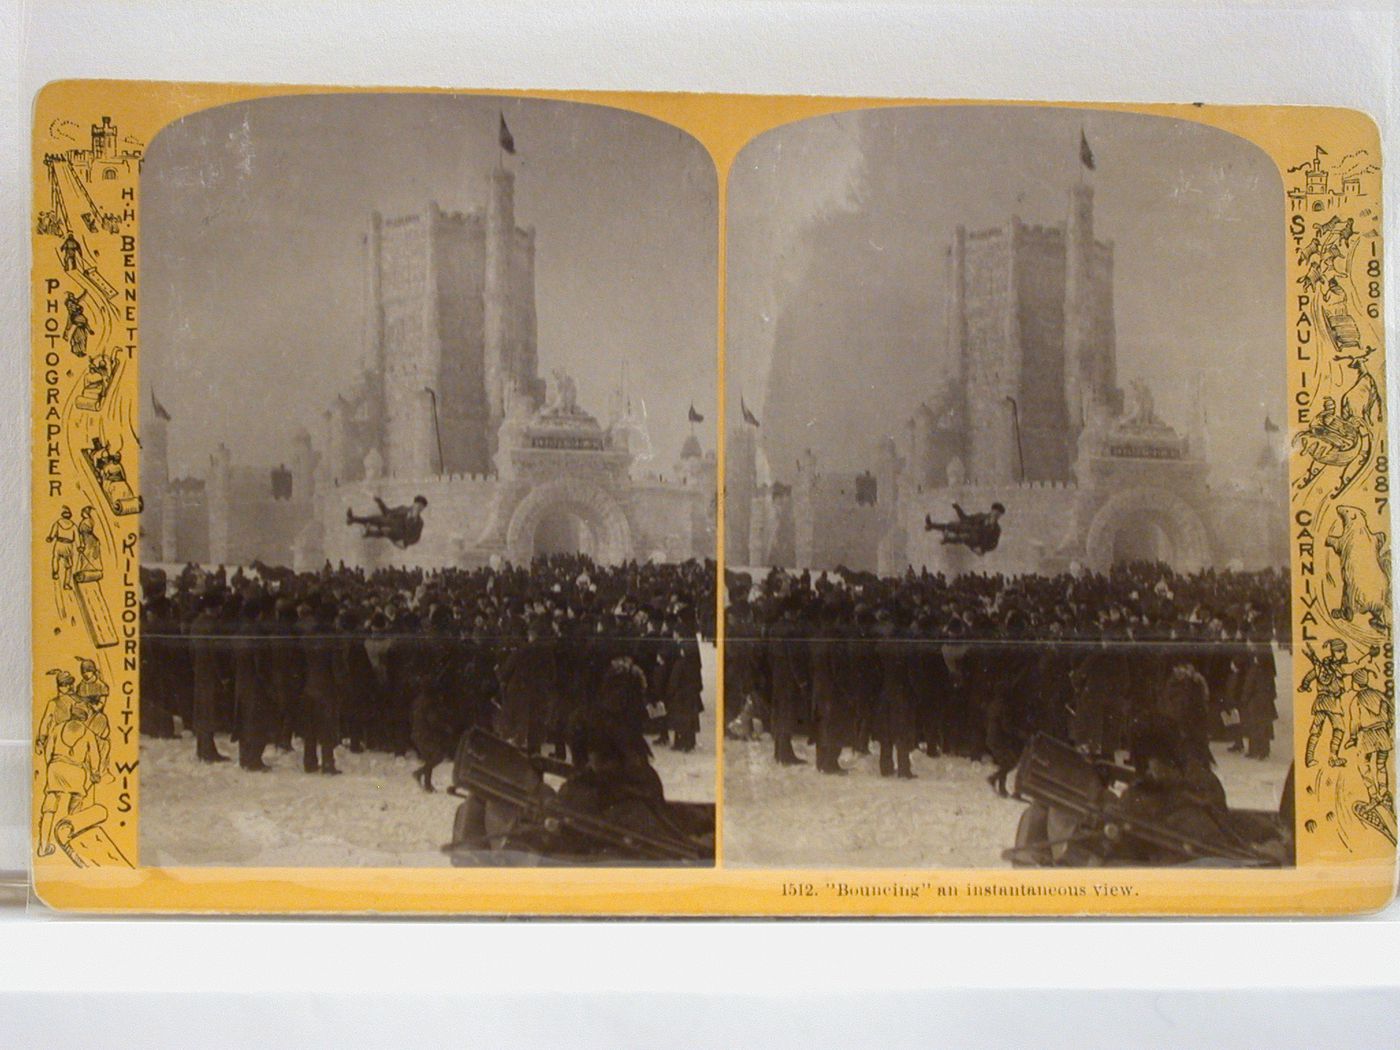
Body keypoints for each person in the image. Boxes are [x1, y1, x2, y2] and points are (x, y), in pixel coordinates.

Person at [1346, 668, 1393, 816]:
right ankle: (1384, 794)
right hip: (1383, 733)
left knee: (1363, 766)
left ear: (1356, 682)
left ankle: (1374, 797)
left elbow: (1355, 721)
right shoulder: (1379, 695)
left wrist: (1353, 738)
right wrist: (1387, 725)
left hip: (1367, 736)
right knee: (1381, 765)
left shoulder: (1357, 699)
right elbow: (1392, 711)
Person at [924, 502, 1005, 556]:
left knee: (966, 535)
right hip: (969, 532)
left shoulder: (996, 529)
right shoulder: (981, 516)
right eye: (995, 513)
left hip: (976, 543)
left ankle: (947, 539)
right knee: (955, 525)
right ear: (991, 511)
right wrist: (958, 508)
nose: (996, 516)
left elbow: (993, 544)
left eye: (998, 515)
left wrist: (982, 550)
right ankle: (931, 525)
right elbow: (965, 518)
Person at [347, 495, 428, 549]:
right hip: (389, 523)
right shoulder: (403, 509)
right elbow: (387, 512)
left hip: (399, 536)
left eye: (421, 507)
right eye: (418, 505)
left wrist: (405, 543)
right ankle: (353, 519)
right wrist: (380, 503)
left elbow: (415, 538)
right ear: (413, 504)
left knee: (386, 529)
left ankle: (368, 532)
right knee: (378, 519)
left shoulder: (419, 522)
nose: (418, 508)